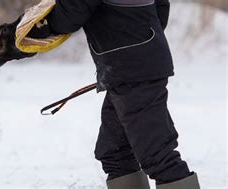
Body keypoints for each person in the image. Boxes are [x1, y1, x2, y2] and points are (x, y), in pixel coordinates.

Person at [25, 0, 200, 188]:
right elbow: (161, 8)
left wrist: (41, 25)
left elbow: (72, 14)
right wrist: (143, 40)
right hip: (134, 66)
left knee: (158, 156)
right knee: (115, 152)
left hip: (131, 69)